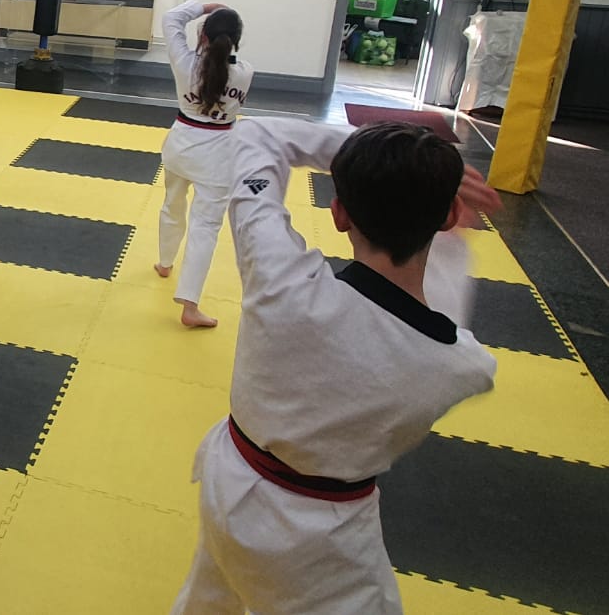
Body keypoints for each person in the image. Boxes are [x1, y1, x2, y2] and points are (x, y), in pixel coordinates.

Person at [170, 119, 500, 614]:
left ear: (339, 213)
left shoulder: (279, 279)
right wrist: (419, 179)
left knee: (212, 595)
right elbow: (440, 306)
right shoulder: (462, 367)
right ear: (451, 214)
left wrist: (368, 158)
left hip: (228, 478)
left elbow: (257, 135)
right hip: (322, 542)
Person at [154, 0, 254, 328]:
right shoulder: (245, 72)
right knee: (205, 227)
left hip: (181, 146)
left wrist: (205, 6)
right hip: (218, 156)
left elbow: (171, 18)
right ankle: (190, 305)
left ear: (203, 36)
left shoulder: (185, 63)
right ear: (236, 41)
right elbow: (224, 67)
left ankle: (165, 262)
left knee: (172, 203)